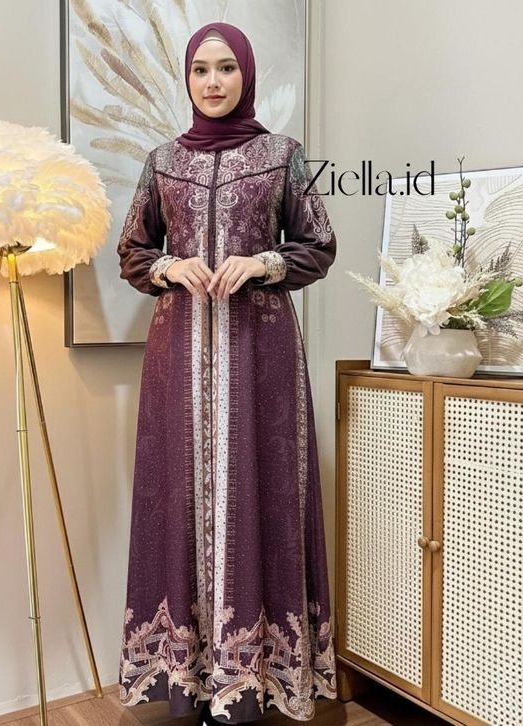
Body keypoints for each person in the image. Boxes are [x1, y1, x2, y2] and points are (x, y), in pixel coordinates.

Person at [116, 21, 337, 725]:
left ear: (246, 74)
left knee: (262, 491)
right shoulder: (162, 162)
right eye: (200, 70)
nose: (212, 82)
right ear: (188, 78)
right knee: (177, 495)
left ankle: (255, 679)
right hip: (177, 355)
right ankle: (186, 679)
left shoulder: (283, 155)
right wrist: (168, 267)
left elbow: (319, 244)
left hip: (260, 352)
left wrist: (264, 261)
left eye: (226, 68)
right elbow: (131, 251)